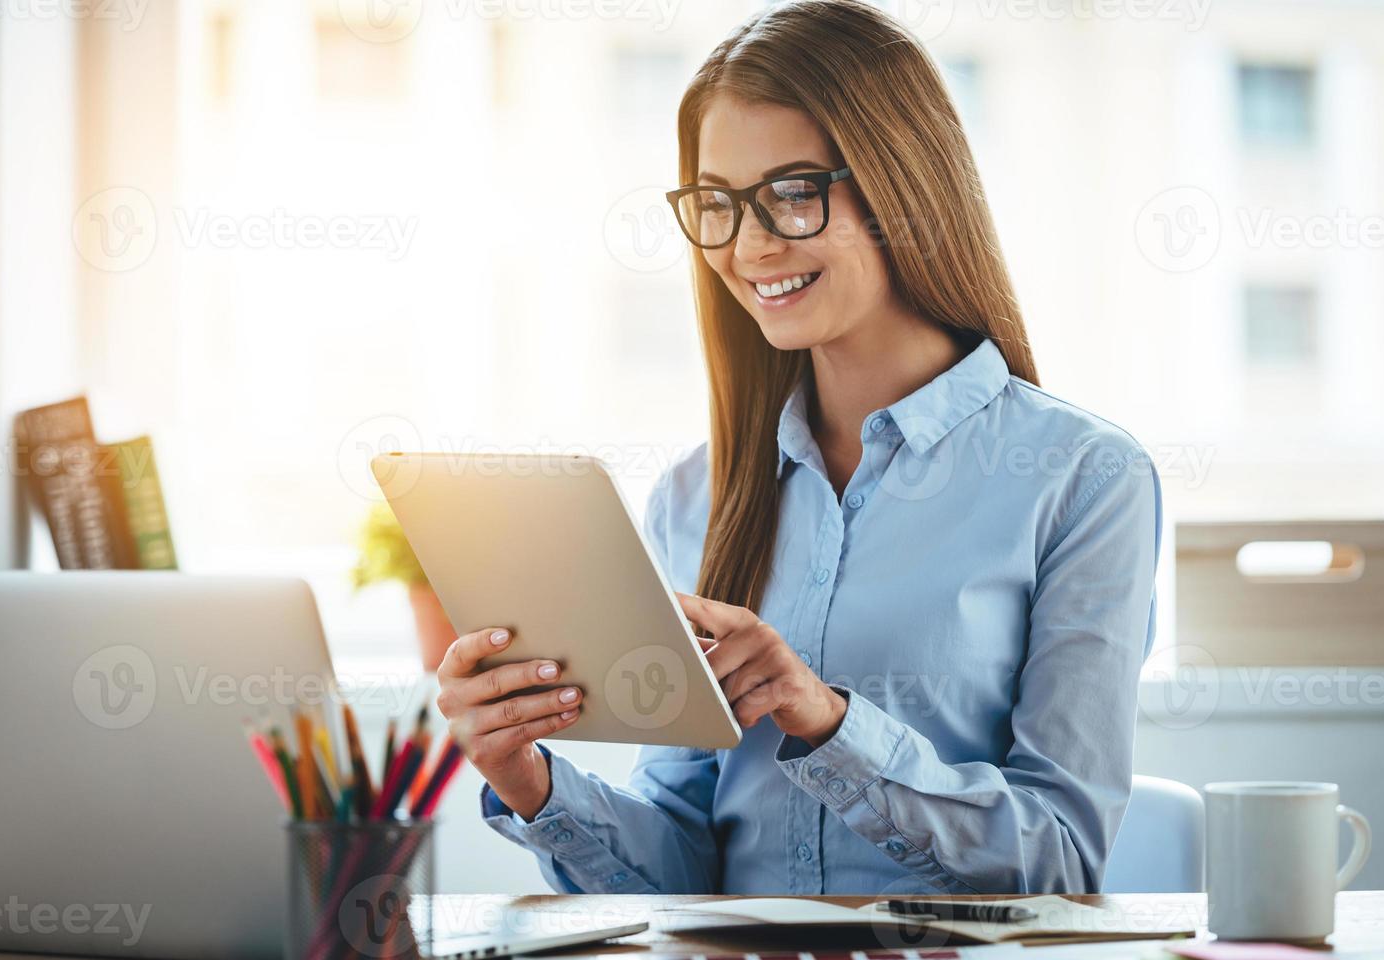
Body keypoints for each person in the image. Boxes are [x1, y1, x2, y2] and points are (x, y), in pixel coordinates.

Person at [434, 0, 1161, 895]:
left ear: (905, 189)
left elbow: (1057, 859)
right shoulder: (695, 494)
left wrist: (825, 721)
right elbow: (687, 867)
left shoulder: (1082, 476)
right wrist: (526, 778)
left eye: (791, 193)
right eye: (717, 205)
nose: (745, 246)